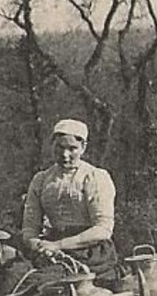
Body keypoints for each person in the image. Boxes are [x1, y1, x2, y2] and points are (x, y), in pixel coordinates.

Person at [21, 118, 120, 286]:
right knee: (12, 275)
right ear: (52, 145)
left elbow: (102, 230)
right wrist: (37, 244)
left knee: (38, 282)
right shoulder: (41, 180)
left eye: (72, 148)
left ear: (83, 148)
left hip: (89, 252)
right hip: (50, 250)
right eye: (59, 147)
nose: (65, 155)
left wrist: (58, 245)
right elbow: (30, 227)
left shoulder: (95, 177)